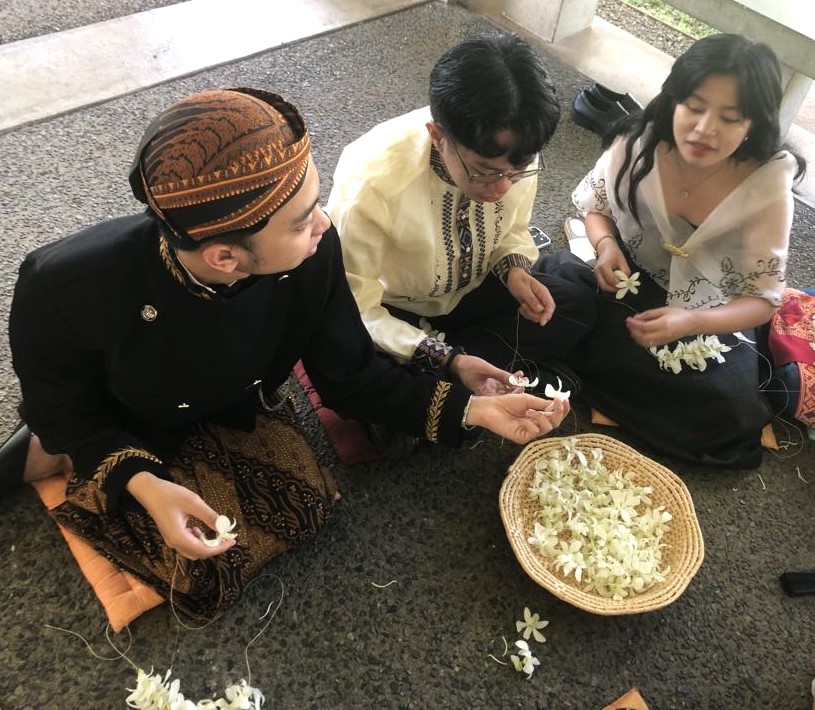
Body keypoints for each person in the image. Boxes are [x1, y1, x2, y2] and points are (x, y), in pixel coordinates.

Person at [1, 88, 570, 621]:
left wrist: (474, 409)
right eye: (302, 221)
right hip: (124, 414)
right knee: (204, 568)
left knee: (303, 509)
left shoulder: (313, 253)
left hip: (231, 398)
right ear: (225, 257)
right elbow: (66, 407)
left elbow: (351, 374)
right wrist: (143, 481)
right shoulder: (63, 285)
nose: (324, 223)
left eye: (315, 203)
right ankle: (46, 456)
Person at [569, 33, 805, 468]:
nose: (703, 129)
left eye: (730, 118)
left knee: (728, 412)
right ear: (673, 98)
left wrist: (690, 320)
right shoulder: (639, 140)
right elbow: (595, 207)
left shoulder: (766, 184)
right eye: (694, 107)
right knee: (556, 300)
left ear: (755, 123)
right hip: (625, 275)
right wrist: (604, 246)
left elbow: (760, 300)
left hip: (708, 305)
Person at [326, 33, 597, 397]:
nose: (502, 187)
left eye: (517, 171)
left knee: (578, 303)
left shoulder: (517, 153)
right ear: (438, 137)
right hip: (397, 307)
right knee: (344, 356)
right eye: (484, 172)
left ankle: (456, 379)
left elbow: (514, 229)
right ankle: (464, 372)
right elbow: (354, 305)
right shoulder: (372, 182)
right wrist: (446, 358)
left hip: (471, 290)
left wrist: (514, 270)